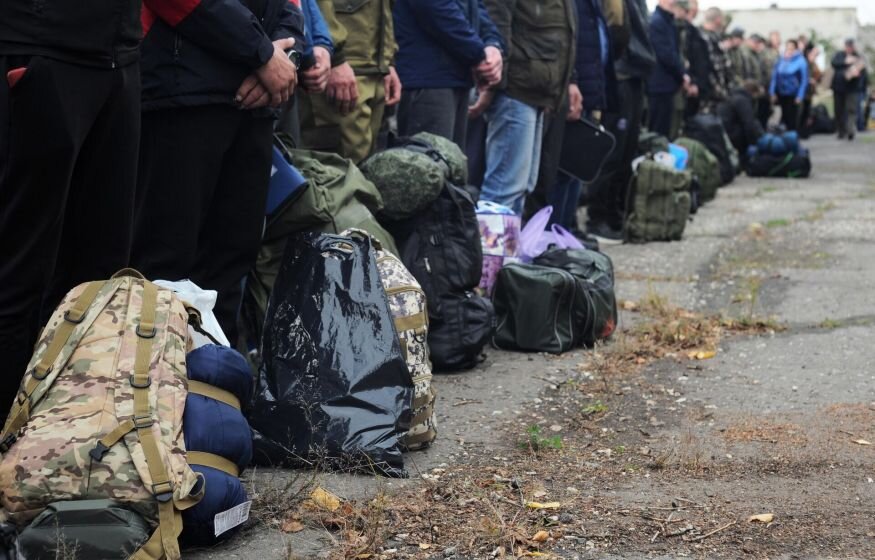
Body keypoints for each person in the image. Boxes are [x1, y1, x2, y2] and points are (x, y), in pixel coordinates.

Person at [0, 0, 300, 417]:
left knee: (104, 285)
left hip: (120, 61)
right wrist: (257, 50)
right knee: (26, 268)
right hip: (56, 51)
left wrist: (284, 48)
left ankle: (81, 441)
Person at [133, 0, 305, 346]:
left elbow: (290, 7)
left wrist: (285, 57)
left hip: (253, 106)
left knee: (230, 263)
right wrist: (260, 54)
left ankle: (216, 389)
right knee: (166, 266)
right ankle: (152, 388)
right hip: (182, 95)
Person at [472, 0, 577, 215]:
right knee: (503, 189)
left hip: (537, 91)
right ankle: (489, 248)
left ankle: (506, 248)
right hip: (516, 89)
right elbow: (498, 21)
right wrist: (493, 87)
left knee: (521, 188)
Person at [584, 0, 655, 243]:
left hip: (633, 73)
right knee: (612, 151)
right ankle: (598, 218)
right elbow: (613, 30)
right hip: (621, 73)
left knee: (626, 151)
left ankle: (614, 215)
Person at [298, 0, 401, 163]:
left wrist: (388, 61)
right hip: (339, 67)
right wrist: (335, 58)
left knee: (367, 167)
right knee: (338, 168)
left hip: (372, 69)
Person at [393, 0, 503, 150]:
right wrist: (479, 54)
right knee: (428, 166)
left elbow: (477, 7)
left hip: (458, 76)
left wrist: (493, 44)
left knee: (453, 167)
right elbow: (434, 7)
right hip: (428, 79)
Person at [548, 0, 614, 233]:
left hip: (588, 88)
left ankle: (566, 231)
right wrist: (572, 82)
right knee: (563, 171)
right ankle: (554, 235)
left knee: (577, 168)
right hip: (574, 89)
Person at [647, 0, 687, 138]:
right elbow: (666, 55)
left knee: (665, 129)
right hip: (659, 85)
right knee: (658, 130)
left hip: (667, 85)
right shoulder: (657, 21)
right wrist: (682, 75)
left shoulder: (667, 21)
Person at [717, 80, 765, 159]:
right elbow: (749, 123)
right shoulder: (743, 101)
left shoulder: (733, 96)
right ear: (754, 92)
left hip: (725, 133)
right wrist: (753, 143)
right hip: (735, 136)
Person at [699, 7, 733, 113]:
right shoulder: (703, 37)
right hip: (710, 92)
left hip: (719, 91)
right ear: (718, 19)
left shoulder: (715, 37)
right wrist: (717, 89)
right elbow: (707, 66)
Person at [769, 39, 808, 132]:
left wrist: (800, 95)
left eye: (791, 48)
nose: (789, 50)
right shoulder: (781, 60)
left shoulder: (800, 61)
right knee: (783, 117)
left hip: (793, 93)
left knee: (792, 118)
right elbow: (775, 76)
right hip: (781, 92)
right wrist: (772, 92)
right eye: (787, 48)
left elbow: (804, 80)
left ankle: (792, 138)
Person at [832, 39, 865, 141]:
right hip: (839, 88)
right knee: (839, 110)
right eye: (847, 46)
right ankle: (841, 131)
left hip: (852, 88)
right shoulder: (839, 55)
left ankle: (850, 130)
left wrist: (858, 74)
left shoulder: (858, 57)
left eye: (851, 46)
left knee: (852, 110)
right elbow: (834, 63)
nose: (849, 48)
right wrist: (845, 62)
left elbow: (863, 71)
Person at [799, 42, 822, 138]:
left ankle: (804, 132)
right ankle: (800, 132)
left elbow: (818, 75)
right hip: (802, 92)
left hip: (809, 93)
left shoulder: (812, 64)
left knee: (806, 112)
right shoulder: (803, 62)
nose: (815, 56)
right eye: (814, 54)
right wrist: (809, 80)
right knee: (801, 113)